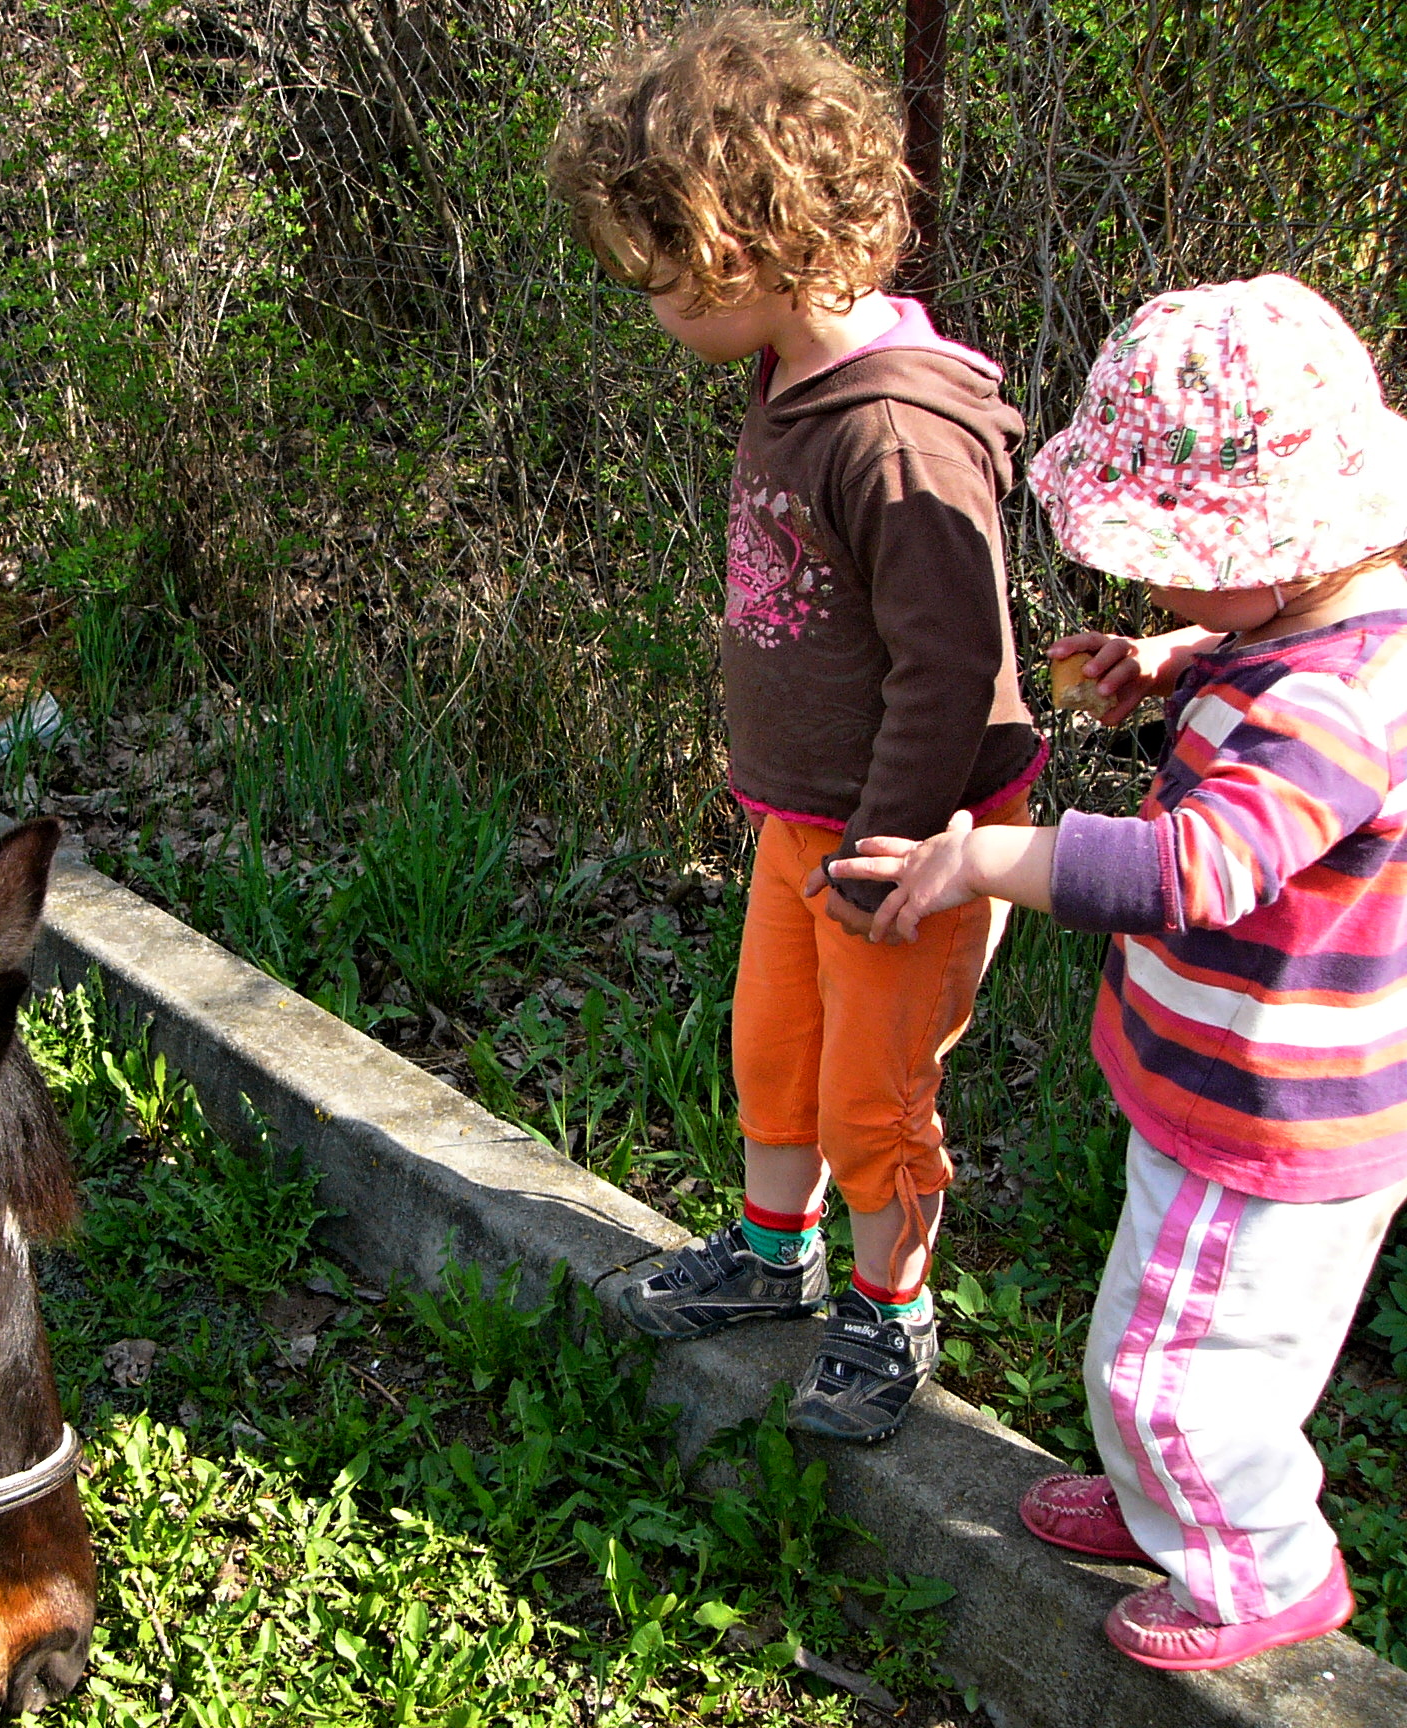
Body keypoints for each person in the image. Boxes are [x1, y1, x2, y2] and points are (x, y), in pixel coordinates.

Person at [832, 274, 1407, 1669]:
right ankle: (1175, 1506)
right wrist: (1172, 655)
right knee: (1172, 1333)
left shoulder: (1329, 708)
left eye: (1166, 561)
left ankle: (1261, 1570)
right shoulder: (1319, 624)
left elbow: (1195, 867)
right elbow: (1256, 649)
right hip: (1224, 1090)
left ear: (1269, 547)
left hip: (1273, 1118)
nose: (1145, 580)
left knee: (1176, 1373)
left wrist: (989, 861)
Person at [546, 9, 1043, 1441]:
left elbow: (950, 672)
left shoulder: (893, 433)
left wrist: (891, 843)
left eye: (655, 279)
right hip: (806, 815)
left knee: (873, 1092)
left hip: (915, 834)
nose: (649, 310)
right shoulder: (789, 373)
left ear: (735, 245)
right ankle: (777, 1258)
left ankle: (890, 1320)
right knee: (776, 1050)